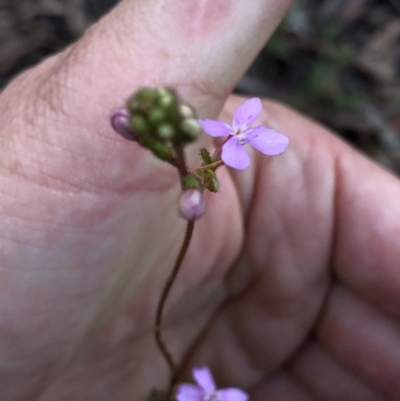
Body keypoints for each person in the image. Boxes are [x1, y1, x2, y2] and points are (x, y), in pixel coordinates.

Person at [0, 0, 398, 400]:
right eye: (238, 129)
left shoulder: (223, 149)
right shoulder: (210, 140)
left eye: (243, 130)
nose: (242, 129)